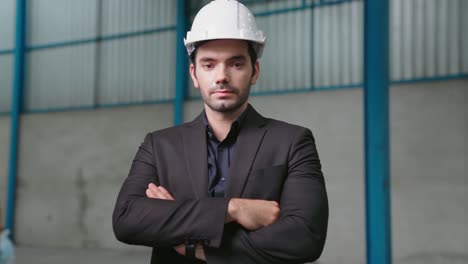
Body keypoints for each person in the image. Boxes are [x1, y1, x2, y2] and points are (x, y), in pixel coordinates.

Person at [112, 0, 328, 263]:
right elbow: (126, 219)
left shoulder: (292, 142)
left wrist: (194, 244)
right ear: (194, 74)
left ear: (254, 71)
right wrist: (233, 209)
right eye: (209, 64)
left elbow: (305, 237)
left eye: (236, 64)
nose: (222, 75)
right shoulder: (159, 145)